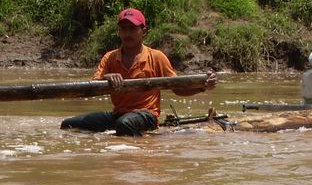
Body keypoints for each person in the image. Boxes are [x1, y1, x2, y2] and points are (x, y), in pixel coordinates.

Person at [61, 8, 217, 136]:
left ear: (143, 31)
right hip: (119, 114)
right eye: (123, 28)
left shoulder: (156, 57)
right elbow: (94, 85)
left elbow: (177, 88)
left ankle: (136, 152)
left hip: (147, 115)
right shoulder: (110, 57)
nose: (127, 33)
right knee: (68, 124)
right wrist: (106, 78)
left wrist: (202, 87)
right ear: (119, 31)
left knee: (124, 124)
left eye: (132, 28)